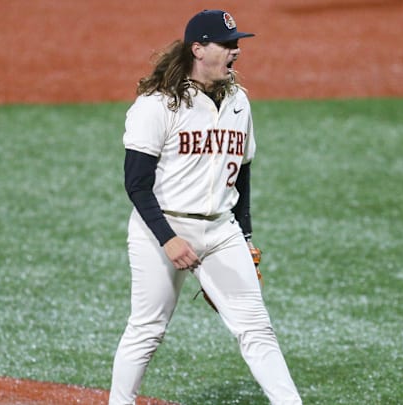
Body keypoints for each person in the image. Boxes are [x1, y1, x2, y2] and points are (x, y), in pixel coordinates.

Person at [108, 9, 302, 405]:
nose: (236, 52)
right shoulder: (158, 104)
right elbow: (137, 183)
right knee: (148, 330)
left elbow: (242, 173)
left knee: (256, 329)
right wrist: (168, 240)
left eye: (237, 44)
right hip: (162, 227)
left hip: (221, 231)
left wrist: (245, 236)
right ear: (198, 49)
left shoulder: (239, 101)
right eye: (228, 44)